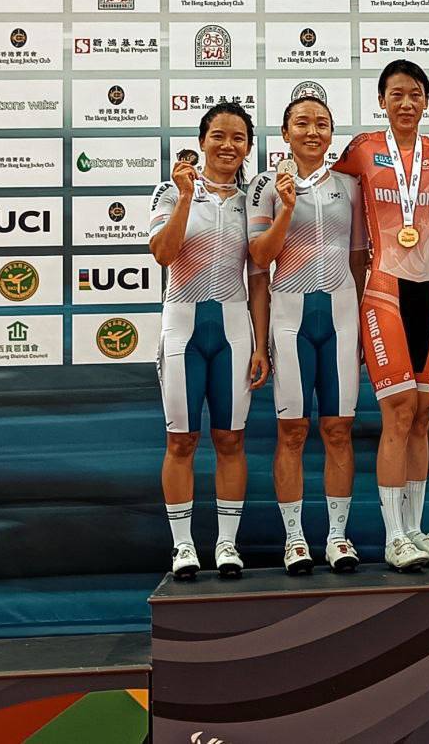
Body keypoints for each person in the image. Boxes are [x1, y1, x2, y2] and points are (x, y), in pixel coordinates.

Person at [335, 60, 429, 571]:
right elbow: (331, 208)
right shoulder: (362, 150)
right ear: (382, 101)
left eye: (415, 94)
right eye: (396, 94)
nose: (406, 103)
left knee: (423, 415)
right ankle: (393, 537)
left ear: (427, 101)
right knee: (399, 411)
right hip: (384, 289)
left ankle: (415, 529)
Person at [149, 102, 270, 581]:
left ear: (248, 147)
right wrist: (184, 198)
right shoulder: (171, 190)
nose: (227, 145)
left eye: (238, 137)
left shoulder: (253, 201)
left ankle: (226, 544)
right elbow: (163, 254)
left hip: (234, 331)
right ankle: (182, 546)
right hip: (182, 329)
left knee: (231, 438)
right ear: (202, 142)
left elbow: (258, 278)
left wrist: (261, 345)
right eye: (218, 135)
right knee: (181, 441)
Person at [247, 97, 367, 575]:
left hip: (341, 317)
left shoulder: (349, 186)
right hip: (290, 318)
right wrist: (286, 209)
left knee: (338, 429)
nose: (312, 131)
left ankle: (337, 537)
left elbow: (358, 257)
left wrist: (362, 324)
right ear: (285, 132)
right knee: (292, 431)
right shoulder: (265, 186)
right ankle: (295, 539)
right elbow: (260, 259)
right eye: (302, 123)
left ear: (331, 133)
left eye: (321, 124)